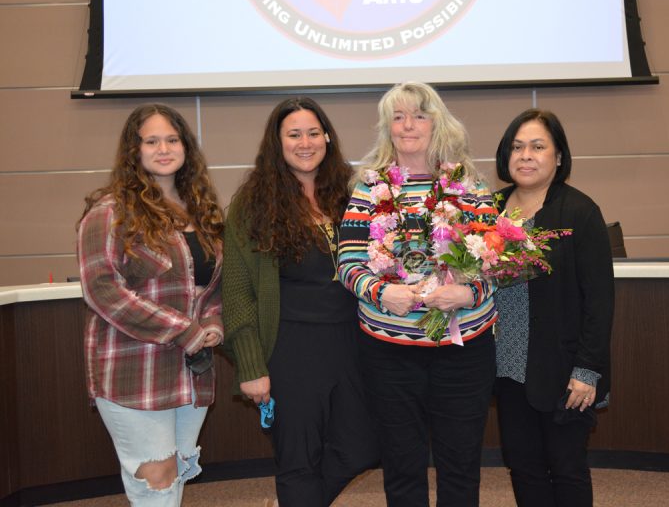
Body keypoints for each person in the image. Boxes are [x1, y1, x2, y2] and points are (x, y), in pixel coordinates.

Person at [337, 81, 498, 507]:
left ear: (437, 123)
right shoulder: (369, 188)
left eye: (419, 115)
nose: (408, 125)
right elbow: (348, 264)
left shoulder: (469, 186)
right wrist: (381, 292)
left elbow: (498, 262)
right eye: (399, 117)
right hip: (389, 353)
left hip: (463, 352)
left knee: (460, 463)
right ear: (387, 127)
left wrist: (469, 293)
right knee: (401, 463)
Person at [222, 97, 379, 506]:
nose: (305, 143)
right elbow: (237, 293)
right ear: (277, 143)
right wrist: (251, 367)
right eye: (294, 135)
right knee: (298, 460)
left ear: (327, 137)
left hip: (351, 344)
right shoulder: (252, 205)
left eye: (313, 133)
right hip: (289, 349)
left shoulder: (351, 194)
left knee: (362, 446)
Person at [77, 103, 224, 506]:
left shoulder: (202, 213)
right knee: (155, 479)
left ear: (185, 147)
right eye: (151, 141)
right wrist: (185, 330)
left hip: (191, 371)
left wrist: (213, 324)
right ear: (134, 150)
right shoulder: (109, 213)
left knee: (174, 472)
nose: (164, 149)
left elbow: (212, 288)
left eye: (172, 140)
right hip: (133, 369)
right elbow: (103, 291)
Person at [493, 108, 614, 507]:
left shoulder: (580, 212)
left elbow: (600, 301)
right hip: (505, 367)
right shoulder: (489, 210)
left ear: (559, 156)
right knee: (522, 466)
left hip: (563, 369)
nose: (525, 156)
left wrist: (586, 370)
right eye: (517, 147)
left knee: (567, 467)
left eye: (537, 147)